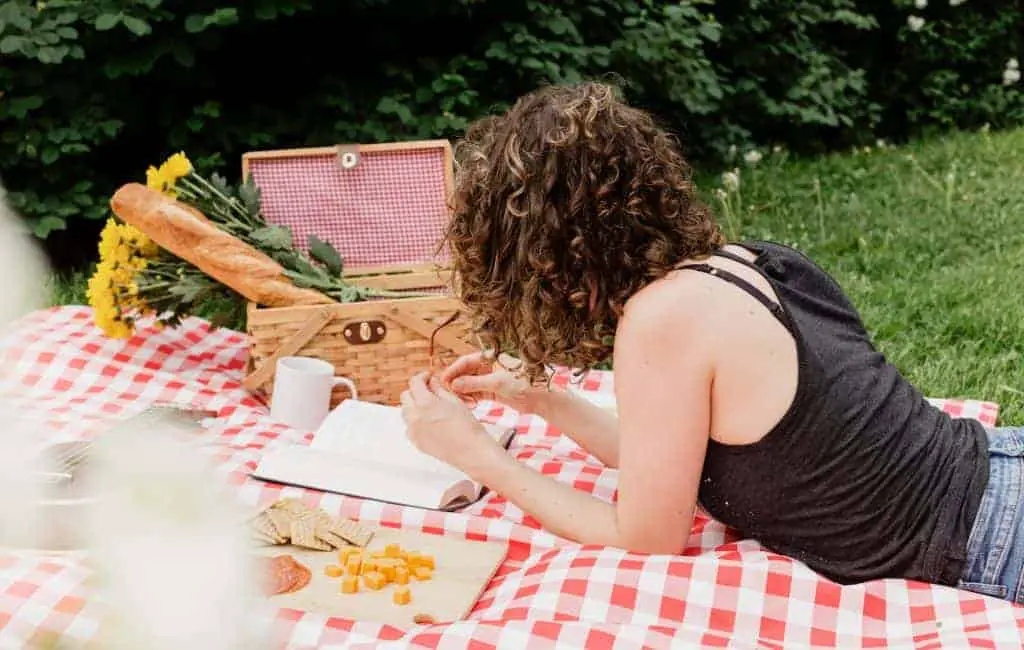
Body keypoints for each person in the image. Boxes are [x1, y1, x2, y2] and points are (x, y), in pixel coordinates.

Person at [398, 82, 1022, 604]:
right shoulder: (739, 263)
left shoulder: (662, 319)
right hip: (998, 471)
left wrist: (476, 455)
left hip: (992, 538)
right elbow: (673, 462)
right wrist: (542, 402)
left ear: (548, 251)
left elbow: (646, 537)